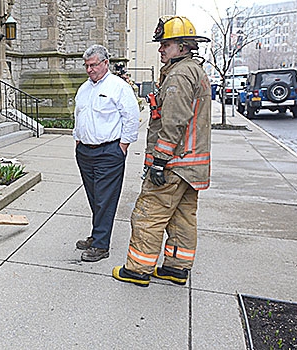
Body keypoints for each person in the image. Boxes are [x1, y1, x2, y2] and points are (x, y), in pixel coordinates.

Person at [113, 16, 211, 286]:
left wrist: (159, 160)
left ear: (182, 46)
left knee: (148, 214)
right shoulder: (193, 70)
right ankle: (176, 268)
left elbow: (174, 120)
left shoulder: (179, 75)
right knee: (182, 218)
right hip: (191, 167)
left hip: (173, 165)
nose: (160, 49)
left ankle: (137, 269)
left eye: (165, 44)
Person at [73, 44, 140, 262]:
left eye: (93, 65)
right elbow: (78, 116)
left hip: (109, 152)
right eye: (86, 66)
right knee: (94, 197)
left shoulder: (118, 87)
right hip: (85, 152)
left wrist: (123, 147)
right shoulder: (83, 89)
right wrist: (77, 141)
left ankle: (101, 245)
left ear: (105, 63)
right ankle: (97, 235)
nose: (89, 69)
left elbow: (131, 118)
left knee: (105, 199)